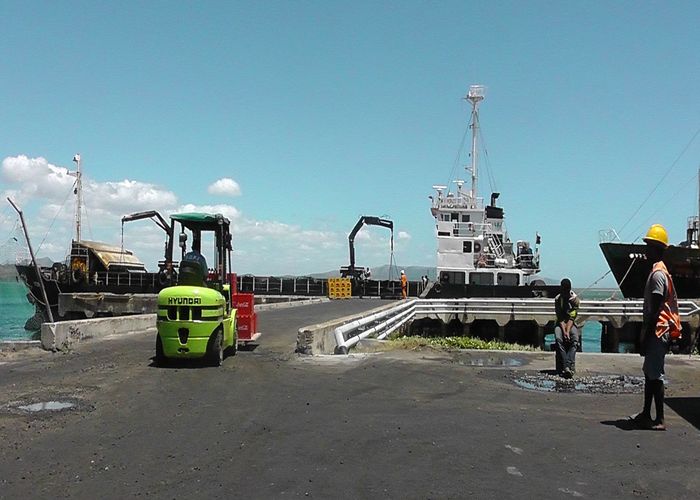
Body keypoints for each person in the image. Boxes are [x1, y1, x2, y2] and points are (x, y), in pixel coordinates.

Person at [630, 224, 681, 431]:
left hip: (658, 330)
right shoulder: (657, 271)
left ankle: (659, 419)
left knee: (655, 375)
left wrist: (646, 335)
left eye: (649, 246)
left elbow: (657, 308)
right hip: (656, 329)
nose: (646, 250)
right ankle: (646, 413)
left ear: (657, 249)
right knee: (649, 373)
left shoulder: (658, 274)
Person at [554, 278, 580, 379]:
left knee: (575, 341)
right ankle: (566, 366)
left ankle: (567, 365)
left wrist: (567, 331)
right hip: (560, 324)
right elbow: (559, 317)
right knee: (558, 339)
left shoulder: (575, 300)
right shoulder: (557, 299)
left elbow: (572, 318)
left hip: (571, 324)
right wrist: (564, 331)